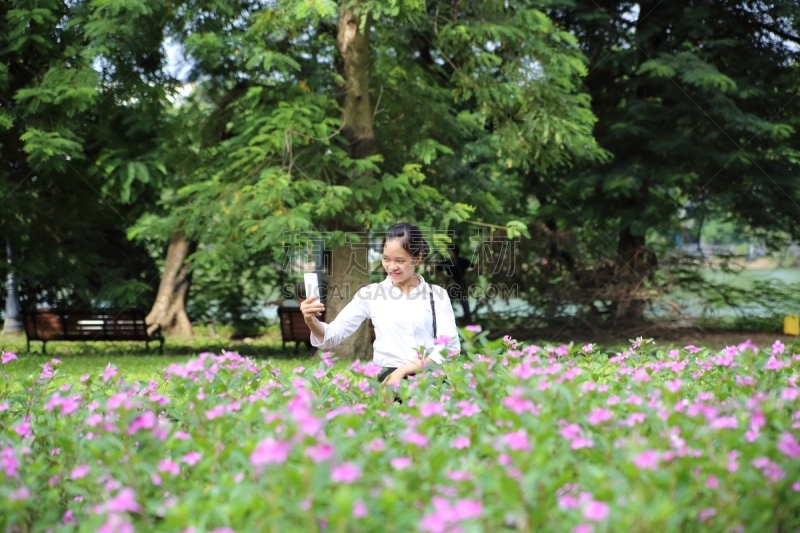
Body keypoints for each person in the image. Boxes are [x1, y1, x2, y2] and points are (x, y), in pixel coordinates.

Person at [300, 222, 461, 387]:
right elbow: (331, 336)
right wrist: (311, 321)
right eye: (386, 258)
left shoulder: (437, 295)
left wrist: (404, 370)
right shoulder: (370, 294)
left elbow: (451, 347)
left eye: (399, 260)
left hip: (429, 381)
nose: (391, 267)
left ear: (417, 258)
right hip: (387, 382)